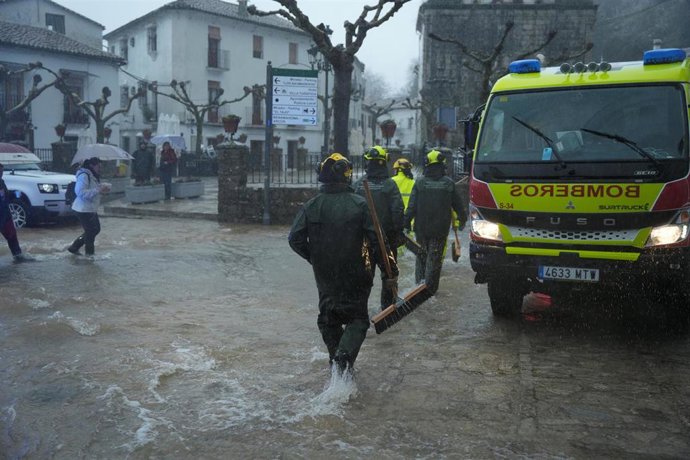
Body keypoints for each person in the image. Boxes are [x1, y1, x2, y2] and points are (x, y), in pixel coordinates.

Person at [289, 153, 398, 375]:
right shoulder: (360, 204)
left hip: (325, 275)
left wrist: (315, 258)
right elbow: (379, 241)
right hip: (357, 272)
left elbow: (294, 239)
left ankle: (338, 364)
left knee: (328, 318)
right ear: (346, 177)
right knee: (357, 319)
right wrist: (391, 271)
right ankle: (343, 359)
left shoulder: (312, 206)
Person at [404, 149, 467, 295]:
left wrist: (406, 223)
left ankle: (418, 289)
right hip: (440, 230)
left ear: (427, 165)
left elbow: (411, 207)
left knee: (421, 256)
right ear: (442, 165)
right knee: (435, 259)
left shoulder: (419, 183)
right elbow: (459, 206)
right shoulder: (449, 184)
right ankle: (430, 291)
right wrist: (462, 220)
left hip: (421, 228)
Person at [353, 145, 404, 310]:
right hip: (386, 241)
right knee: (389, 274)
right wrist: (398, 234)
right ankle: (387, 309)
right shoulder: (390, 185)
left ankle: (359, 312)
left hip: (362, 242)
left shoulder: (358, 185)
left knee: (364, 276)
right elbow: (397, 211)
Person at [67, 157, 110, 256]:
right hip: (83, 209)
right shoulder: (84, 175)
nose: (100, 168)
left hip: (90, 208)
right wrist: (98, 190)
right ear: (91, 165)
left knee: (95, 229)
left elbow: (92, 190)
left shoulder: (92, 176)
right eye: (98, 166)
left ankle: (74, 247)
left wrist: (102, 189)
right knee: (91, 231)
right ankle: (89, 256)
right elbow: (80, 192)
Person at [0, 163, 27, 261]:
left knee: (12, 236)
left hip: (5, 215)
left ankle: (18, 256)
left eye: (2, 172)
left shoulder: (1, 182)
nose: (1, 174)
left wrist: (14, 194)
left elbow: (6, 197)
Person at [392, 157, 416, 257]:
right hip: (411, 222)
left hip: (396, 221)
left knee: (398, 254)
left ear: (398, 169)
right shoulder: (413, 183)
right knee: (409, 251)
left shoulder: (391, 182)